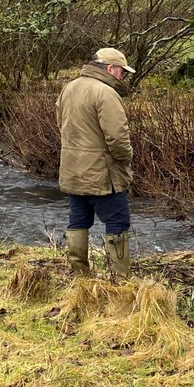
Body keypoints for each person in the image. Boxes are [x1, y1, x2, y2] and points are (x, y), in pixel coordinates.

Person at [56, 47, 135, 281]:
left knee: (78, 221)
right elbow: (118, 138)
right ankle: (121, 280)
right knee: (118, 222)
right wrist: (125, 159)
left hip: (72, 169)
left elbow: (61, 125)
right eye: (122, 71)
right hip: (102, 173)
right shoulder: (105, 93)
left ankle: (81, 276)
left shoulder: (69, 88)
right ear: (110, 69)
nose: (123, 77)